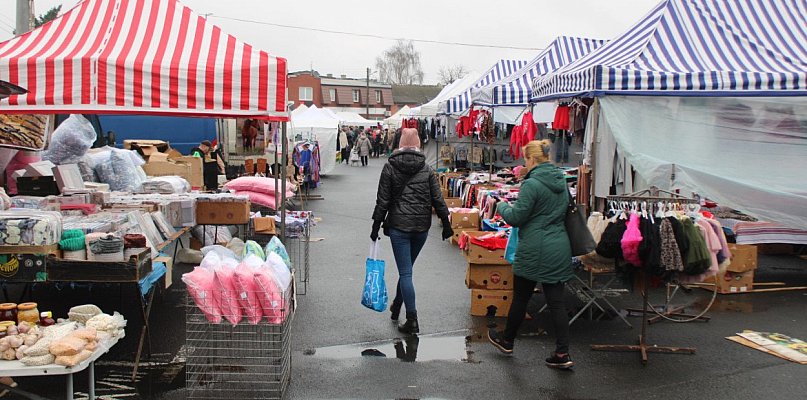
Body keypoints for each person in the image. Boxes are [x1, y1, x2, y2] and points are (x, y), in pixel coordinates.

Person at [487, 139, 575, 369]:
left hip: (535, 248)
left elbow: (517, 218)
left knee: (521, 297)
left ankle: (507, 340)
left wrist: (501, 206)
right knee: (556, 302)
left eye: (525, 158)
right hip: (558, 245)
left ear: (533, 159)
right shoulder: (561, 180)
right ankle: (562, 353)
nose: (524, 162)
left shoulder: (532, 184)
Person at [370, 128, 453, 335]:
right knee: (406, 270)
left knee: (405, 272)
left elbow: (383, 200)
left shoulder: (390, 166)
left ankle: (412, 319)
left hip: (399, 227)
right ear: (417, 144)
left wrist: (375, 225)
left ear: (400, 144)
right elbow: (438, 198)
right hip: (421, 228)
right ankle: (397, 306)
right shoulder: (426, 168)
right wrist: (446, 222)